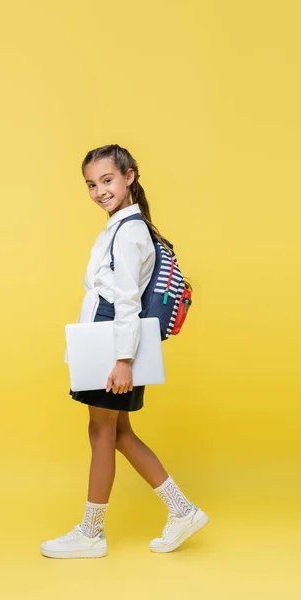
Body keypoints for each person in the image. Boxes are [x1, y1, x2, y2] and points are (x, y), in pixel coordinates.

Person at [40, 144, 209, 559]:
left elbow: (128, 301)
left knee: (102, 431)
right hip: (111, 338)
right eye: (91, 185)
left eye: (107, 180)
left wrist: (122, 360)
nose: (99, 191)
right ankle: (182, 510)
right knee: (117, 432)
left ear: (130, 176)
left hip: (114, 341)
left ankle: (91, 534)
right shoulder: (122, 227)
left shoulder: (130, 231)